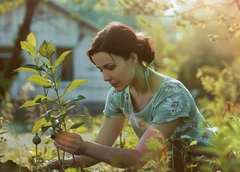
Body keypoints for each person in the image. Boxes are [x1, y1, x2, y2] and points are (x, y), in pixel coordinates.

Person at [46, 21, 215, 171]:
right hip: (171, 165)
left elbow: (139, 158)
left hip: (206, 163)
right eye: (101, 70)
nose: (105, 77)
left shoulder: (172, 95)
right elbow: (100, 149)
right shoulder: (118, 96)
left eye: (110, 67)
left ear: (133, 58)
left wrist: (84, 146)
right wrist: (66, 162)